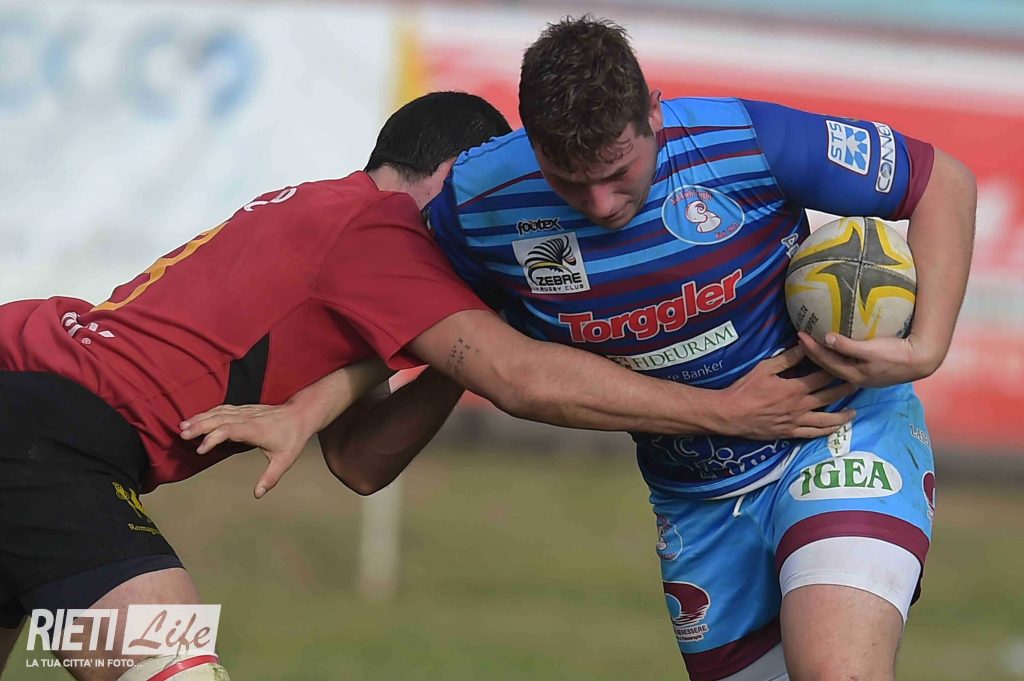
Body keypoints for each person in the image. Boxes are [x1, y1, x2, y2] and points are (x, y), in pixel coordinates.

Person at [192, 17, 976, 681]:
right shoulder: (478, 202)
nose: (600, 204)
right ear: (530, 145)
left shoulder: (742, 140)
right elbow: (423, 323)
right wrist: (310, 406)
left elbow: (941, 181)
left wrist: (925, 348)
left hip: (833, 436)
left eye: (618, 173)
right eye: (570, 182)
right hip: (696, 500)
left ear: (654, 114)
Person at [0, 91, 846, 681]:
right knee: (176, 667)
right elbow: (519, 378)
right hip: (43, 438)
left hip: (30, 410)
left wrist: (467, 329)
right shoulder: (378, 233)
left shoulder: (333, 228)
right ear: (457, 175)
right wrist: (722, 410)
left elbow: (359, 461)